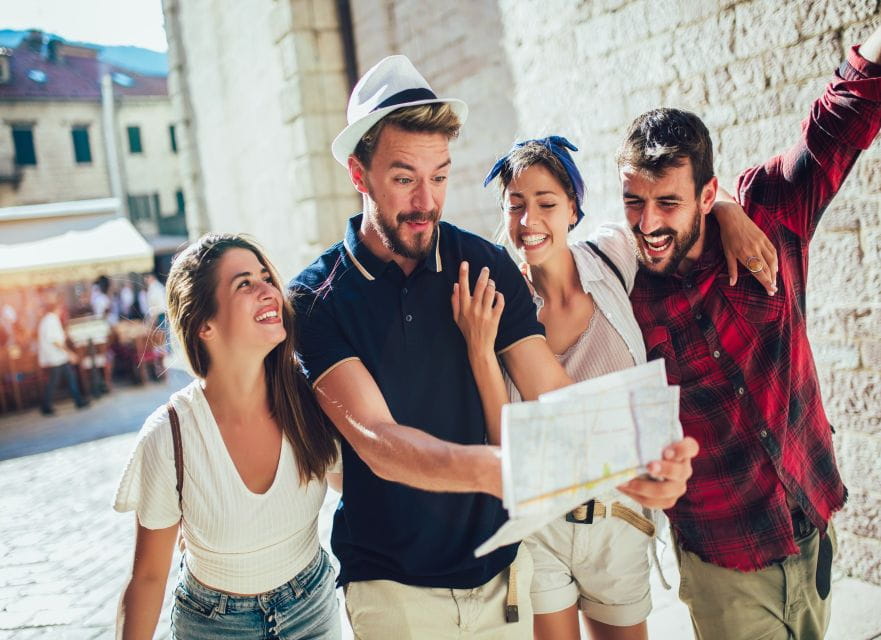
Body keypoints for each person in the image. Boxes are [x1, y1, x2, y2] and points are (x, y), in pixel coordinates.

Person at [290, 54, 698, 639]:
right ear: (359, 174)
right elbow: (382, 445)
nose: (427, 201)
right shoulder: (317, 298)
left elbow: (554, 395)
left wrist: (638, 465)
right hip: (391, 586)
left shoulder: (480, 263)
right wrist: (504, 469)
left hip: (502, 579)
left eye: (440, 176)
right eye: (404, 178)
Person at [593, 27, 881, 640]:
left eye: (667, 204)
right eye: (633, 202)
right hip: (724, 560)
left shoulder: (770, 217)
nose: (648, 225)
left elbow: (843, 116)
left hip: (810, 517)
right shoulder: (622, 289)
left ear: (706, 194)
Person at [457, 136, 775, 640]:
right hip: (541, 526)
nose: (529, 220)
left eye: (546, 204)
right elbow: (507, 444)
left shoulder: (609, 257)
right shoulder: (498, 304)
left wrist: (730, 213)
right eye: (515, 205)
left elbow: (678, 213)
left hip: (619, 516)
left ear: (573, 210)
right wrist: (479, 349)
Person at [114, 234, 341, 639]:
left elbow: (361, 488)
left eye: (266, 277)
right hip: (213, 625)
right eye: (244, 283)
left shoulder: (311, 402)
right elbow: (148, 577)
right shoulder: (170, 436)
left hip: (312, 609)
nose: (268, 290)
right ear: (205, 324)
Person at [37, 293, 88, 415]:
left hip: (57, 356)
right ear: (58, 308)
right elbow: (55, 341)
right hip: (55, 357)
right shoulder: (51, 320)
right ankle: (46, 406)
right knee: (55, 381)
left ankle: (78, 401)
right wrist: (69, 353)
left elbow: (57, 338)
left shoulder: (50, 319)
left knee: (68, 378)